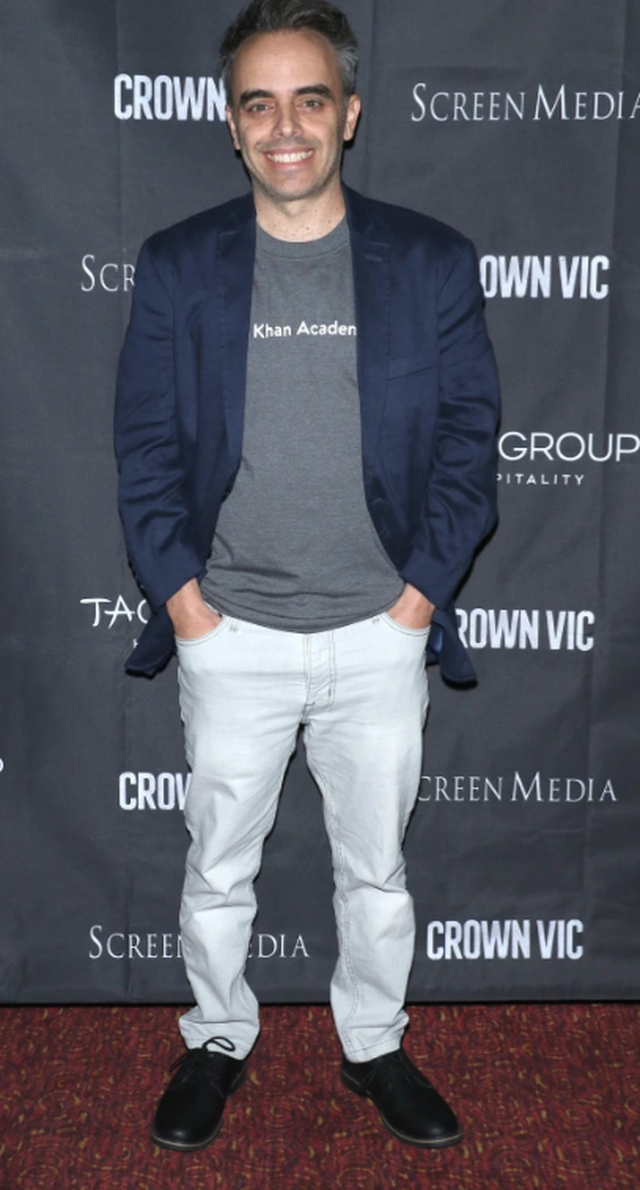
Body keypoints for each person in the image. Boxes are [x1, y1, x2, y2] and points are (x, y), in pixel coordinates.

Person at [114, 0, 500, 1153]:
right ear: (232, 125)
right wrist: (187, 608)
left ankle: (373, 1045)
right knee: (217, 866)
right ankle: (215, 1037)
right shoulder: (178, 264)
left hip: (379, 632)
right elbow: (143, 448)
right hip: (229, 631)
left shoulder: (429, 260)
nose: (285, 127)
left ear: (350, 113)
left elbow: (469, 443)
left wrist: (416, 598)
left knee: (375, 871)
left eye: (309, 99)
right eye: (259, 103)